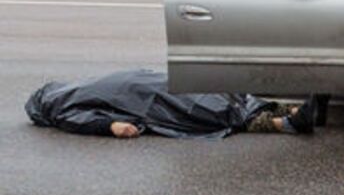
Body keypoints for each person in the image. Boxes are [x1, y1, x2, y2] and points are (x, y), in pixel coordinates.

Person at [25, 69, 316, 140]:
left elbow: (83, 120)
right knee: (215, 100)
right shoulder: (68, 95)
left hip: (145, 94)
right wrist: (114, 125)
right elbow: (90, 118)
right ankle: (288, 115)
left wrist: (113, 127)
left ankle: (288, 118)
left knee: (206, 110)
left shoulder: (60, 108)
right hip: (148, 88)